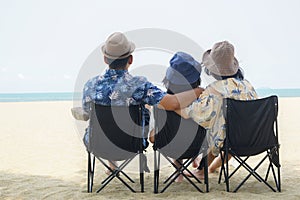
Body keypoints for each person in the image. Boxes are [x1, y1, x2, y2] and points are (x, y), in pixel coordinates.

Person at [82, 32, 204, 173]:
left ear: (105, 59)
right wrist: (197, 91)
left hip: (97, 145)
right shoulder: (140, 85)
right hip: (131, 145)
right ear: (131, 59)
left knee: (105, 120)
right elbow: (171, 103)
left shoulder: (90, 85)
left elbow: (86, 112)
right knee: (140, 110)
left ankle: (112, 165)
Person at [176, 41, 258, 178]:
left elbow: (191, 113)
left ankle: (202, 170)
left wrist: (170, 107)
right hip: (256, 138)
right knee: (226, 129)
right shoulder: (247, 86)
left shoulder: (214, 90)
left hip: (229, 141)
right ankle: (210, 168)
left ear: (211, 69)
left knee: (218, 132)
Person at [148, 51, 203, 182]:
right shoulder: (203, 100)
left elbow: (152, 138)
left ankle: (179, 172)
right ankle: (194, 160)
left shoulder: (161, 102)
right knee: (187, 131)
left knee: (164, 132)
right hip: (197, 146)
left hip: (169, 147)